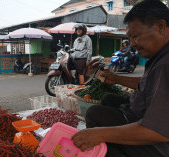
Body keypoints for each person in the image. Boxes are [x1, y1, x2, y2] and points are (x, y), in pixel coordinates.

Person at [72, 0, 169, 157]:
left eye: (136, 36)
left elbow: (157, 131)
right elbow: (150, 85)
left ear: (160, 26)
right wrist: (117, 79)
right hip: (140, 113)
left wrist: (99, 134)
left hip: (158, 145)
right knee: (108, 98)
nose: (132, 44)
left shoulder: (165, 64)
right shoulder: (159, 56)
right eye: (129, 38)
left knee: (94, 114)